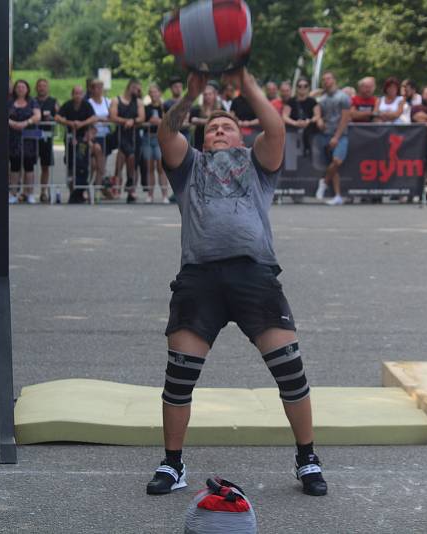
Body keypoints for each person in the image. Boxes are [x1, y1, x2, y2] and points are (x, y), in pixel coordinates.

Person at [146, 67, 327, 498]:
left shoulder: (257, 164)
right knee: (179, 377)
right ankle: (173, 464)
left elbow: (276, 127)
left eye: (228, 127)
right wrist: (191, 95)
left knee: (290, 372)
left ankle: (308, 458)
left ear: (241, 137)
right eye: (213, 128)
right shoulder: (190, 166)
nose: (220, 131)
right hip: (200, 278)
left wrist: (247, 82)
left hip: (254, 275)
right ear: (204, 139)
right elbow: (166, 135)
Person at [55, 85, 99, 204]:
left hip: (83, 140)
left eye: (80, 93)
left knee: (82, 165)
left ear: (83, 94)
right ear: (72, 94)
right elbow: (57, 117)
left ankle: (79, 192)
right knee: (70, 164)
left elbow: (94, 118)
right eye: (76, 93)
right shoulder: (68, 104)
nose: (78, 96)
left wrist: (81, 124)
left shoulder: (86, 105)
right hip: (70, 139)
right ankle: (72, 191)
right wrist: (69, 123)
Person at [315, 71, 351, 206]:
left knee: (336, 161)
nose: (326, 81)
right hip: (325, 134)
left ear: (334, 80)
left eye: (328, 79)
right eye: (324, 79)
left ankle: (324, 182)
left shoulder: (343, 97)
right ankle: (337, 196)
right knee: (333, 166)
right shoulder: (322, 98)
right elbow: (317, 110)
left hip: (340, 135)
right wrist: (318, 119)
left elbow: (345, 118)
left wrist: (336, 137)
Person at [110, 79, 146, 202]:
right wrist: (125, 121)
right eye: (137, 89)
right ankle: (121, 186)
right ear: (131, 87)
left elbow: (142, 117)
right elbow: (113, 116)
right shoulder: (116, 100)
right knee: (124, 159)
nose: (139, 91)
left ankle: (130, 189)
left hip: (134, 136)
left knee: (131, 162)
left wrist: (133, 121)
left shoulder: (139, 102)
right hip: (121, 134)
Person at [7, 80, 41, 204]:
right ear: (15, 89)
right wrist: (13, 123)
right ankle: (13, 193)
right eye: (18, 87)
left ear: (27, 89)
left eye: (23, 87)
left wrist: (26, 123)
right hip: (13, 138)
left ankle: (29, 193)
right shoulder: (9, 102)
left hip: (28, 138)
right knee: (14, 167)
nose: (21, 89)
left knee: (29, 166)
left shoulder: (32, 102)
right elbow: (2, 115)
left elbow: (38, 116)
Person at [144, 83, 170, 203]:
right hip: (148, 138)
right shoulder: (147, 107)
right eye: (151, 92)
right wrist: (150, 121)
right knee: (149, 167)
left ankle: (164, 195)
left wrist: (159, 121)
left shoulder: (164, 106)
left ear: (160, 93)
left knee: (161, 167)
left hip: (160, 139)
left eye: (156, 92)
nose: (154, 94)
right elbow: (142, 121)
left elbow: (168, 121)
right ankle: (150, 195)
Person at [282, 77, 321, 157]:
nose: (302, 88)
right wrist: (295, 123)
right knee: (291, 161)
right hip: (292, 133)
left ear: (308, 87)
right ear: (296, 88)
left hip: (310, 133)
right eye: (300, 86)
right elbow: (285, 116)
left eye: (305, 86)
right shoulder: (291, 101)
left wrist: (309, 121)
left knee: (308, 161)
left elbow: (317, 115)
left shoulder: (312, 101)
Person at [35, 79, 58, 203]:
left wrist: (52, 118)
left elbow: (59, 117)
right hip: (32, 136)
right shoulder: (32, 101)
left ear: (47, 88)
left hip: (46, 137)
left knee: (45, 166)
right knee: (27, 165)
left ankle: (43, 192)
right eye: (39, 86)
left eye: (44, 86)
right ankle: (24, 191)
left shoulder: (53, 102)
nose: (42, 88)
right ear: (36, 88)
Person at [87, 80, 112, 196]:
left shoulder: (108, 102)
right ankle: (88, 186)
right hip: (93, 135)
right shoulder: (88, 103)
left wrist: (100, 119)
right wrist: (97, 120)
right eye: (96, 88)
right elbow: (88, 118)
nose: (98, 90)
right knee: (93, 165)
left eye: (100, 88)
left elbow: (112, 116)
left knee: (101, 164)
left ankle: (96, 189)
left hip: (105, 136)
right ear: (92, 89)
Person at [189, 82, 221, 151]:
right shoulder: (197, 108)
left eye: (210, 94)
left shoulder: (220, 109)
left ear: (214, 95)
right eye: (205, 94)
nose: (207, 96)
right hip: (200, 140)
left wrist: (200, 121)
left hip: (215, 139)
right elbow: (192, 120)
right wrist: (211, 120)